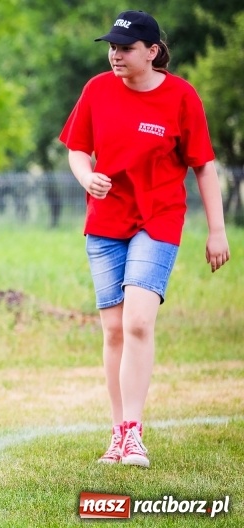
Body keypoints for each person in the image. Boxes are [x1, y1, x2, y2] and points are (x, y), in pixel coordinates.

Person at [59, 10, 230, 468]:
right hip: (106, 222)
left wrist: (217, 230)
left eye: (126, 47)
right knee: (113, 330)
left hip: (158, 219)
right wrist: (86, 176)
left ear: (152, 52)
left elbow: (204, 166)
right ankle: (116, 434)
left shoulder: (181, 96)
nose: (116, 54)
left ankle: (134, 434)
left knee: (137, 322)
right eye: (112, 46)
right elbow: (77, 149)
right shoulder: (96, 89)